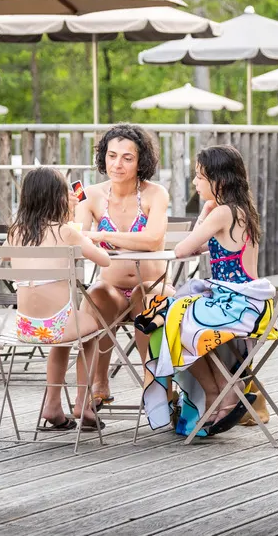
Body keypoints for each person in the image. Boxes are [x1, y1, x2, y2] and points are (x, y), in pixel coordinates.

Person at [135, 145, 277, 438]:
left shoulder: (222, 212)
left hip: (236, 306)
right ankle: (220, 389)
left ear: (219, 181)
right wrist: (205, 218)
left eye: (200, 177)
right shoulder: (242, 210)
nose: (195, 183)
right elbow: (203, 247)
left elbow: (182, 249)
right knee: (177, 314)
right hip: (250, 304)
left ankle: (216, 390)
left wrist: (203, 215)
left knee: (171, 319)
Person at [5, 167, 113, 431]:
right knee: (93, 330)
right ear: (57, 198)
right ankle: (82, 404)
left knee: (67, 332)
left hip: (25, 326)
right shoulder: (66, 232)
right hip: (57, 325)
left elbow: (3, 257)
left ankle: (53, 405)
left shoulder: (15, 232)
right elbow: (105, 260)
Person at [75, 123, 172, 406]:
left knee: (146, 293)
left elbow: (153, 239)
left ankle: (153, 383)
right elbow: (78, 237)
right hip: (113, 290)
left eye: (127, 158)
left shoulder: (156, 193)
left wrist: (103, 236)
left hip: (153, 287)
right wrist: (69, 212)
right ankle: (98, 383)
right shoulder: (89, 195)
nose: (117, 164)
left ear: (141, 161)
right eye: (112, 155)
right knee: (96, 293)